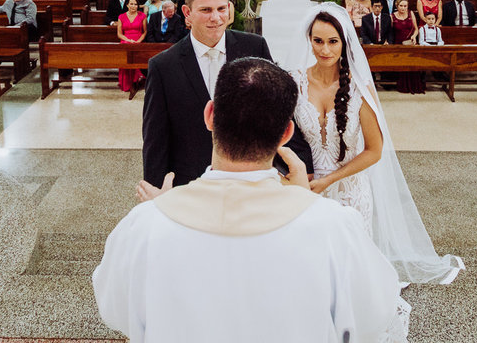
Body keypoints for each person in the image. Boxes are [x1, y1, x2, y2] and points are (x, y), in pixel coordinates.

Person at [94, 56, 402, 343]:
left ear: (210, 115)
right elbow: (375, 314)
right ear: (286, 133)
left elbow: (114, 308)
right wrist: (302, 202)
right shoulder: (333, 226)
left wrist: (162, 210)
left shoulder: (147, 225)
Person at [284, 4, 463, 286]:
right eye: (318, 41)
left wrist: (329, 180)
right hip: (304, 187)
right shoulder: (293, 82)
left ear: (344, 42)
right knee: (311, 269)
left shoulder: (359, 88)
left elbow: (374, 151)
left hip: (350, 190)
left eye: (333, 41)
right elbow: (281, 137)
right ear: (309, 40)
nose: (325, 50)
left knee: (348, 271)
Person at [140, 0, 314, 190]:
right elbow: (155, 138)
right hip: (191, 184)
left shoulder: (254, 47)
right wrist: (154, 191)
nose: (216, 17)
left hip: (250, 179)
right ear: (187, 13)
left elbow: (277, 110)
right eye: (206, 10)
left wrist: (303, 163)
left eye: (221, 9)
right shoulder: (163, 66)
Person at [117, 0, 148, 92]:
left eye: (135, 4)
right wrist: (127, 40)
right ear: (127, 5)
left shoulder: (142, 16)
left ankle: (137, 80)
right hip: (126, 40)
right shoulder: (121, 16)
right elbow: (119, 34)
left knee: (136, 50)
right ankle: (127, 82)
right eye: (131, 4)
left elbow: (145, 32)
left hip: (138, 40)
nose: (133, 6)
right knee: (126, 48)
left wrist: (139, 41)